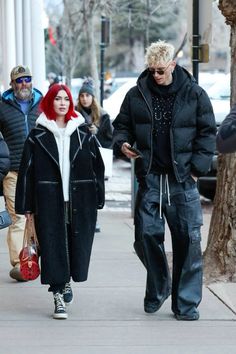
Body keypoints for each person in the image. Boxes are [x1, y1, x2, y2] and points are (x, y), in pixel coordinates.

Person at [112, 40, 216, 321]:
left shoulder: (195, 94)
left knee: (189, 242)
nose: (156, 75)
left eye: (160, 70)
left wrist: (196, 168)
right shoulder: (136, 94)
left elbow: (208, 133)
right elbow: (121, 126)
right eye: (152, 70)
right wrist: (122, 144)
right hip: (150, 179)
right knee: (144, 237)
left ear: (172, 65)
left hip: (182, 179)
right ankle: (159, 287)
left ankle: (186, 304)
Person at [15, 84, 105, 320]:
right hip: (47, 202)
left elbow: (97, 167)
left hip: (80, 200)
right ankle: (57, 293)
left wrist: (99, 197)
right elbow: (26, 172)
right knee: (53, 248)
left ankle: (66, 282)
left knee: (75, 246)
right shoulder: (37, 135)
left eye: (66, 99)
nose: (63, 103)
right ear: (50, 103)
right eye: (58, 99)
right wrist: (26, 207)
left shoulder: (82, 132)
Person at [0, 65, 43, 281]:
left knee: (36, 217)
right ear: (12, 84)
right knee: (17, 218)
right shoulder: (2, 106)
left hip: (40, 170)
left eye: (27, 79)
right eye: (19, 80)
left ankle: (35, 258)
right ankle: (19, 264)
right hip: (13, 172)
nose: (24, 83)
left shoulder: (43, 104)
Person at [77, 78, 113, 232]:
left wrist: (96, 134)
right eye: (82, 95)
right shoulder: (74, 115)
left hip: (96, 159)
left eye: (87, 95)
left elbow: (110, 139)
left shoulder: (103, 116)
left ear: (93, 97)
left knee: (95, 189)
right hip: (78, 158)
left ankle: (94, 218)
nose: (85, 99)